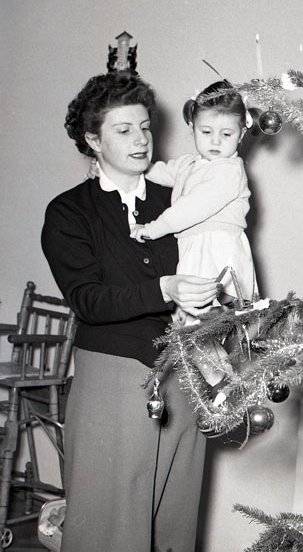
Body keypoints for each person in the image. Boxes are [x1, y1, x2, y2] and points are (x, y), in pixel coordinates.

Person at [41, 70, 221, 552]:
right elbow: (88, 300)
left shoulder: (179, 201)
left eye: (144, 127)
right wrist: (164, 288)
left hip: (185, 372)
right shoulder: (69, 212)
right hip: (113, 379)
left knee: (174, 524)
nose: (141, 139)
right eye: (123, 130)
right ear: (92, 140)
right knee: (108, 528)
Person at [130, 80, 259, 388]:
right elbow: (159, 171)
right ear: (192, 128)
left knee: (195, 323)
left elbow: (190, 209)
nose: (215, 141)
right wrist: (129, 168)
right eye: (206, 132)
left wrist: (151, 229)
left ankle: (225, 383)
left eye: (226, 134)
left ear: (241, 134)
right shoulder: (190, 164)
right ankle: (222, 382)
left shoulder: (229, 170)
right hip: (195, 250)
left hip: (216, 250)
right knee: (191, 324)